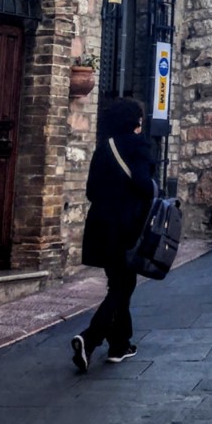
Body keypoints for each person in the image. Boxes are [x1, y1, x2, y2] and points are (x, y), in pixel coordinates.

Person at [72, 96, 155, 372]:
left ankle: (120, 346)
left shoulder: (103, 148)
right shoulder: (138, 145)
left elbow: (91, 191)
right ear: (134, 121)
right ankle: (90, 338)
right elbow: (144, 185)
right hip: (127, 225)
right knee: (123, 286)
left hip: (100, 226)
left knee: (118, 284)